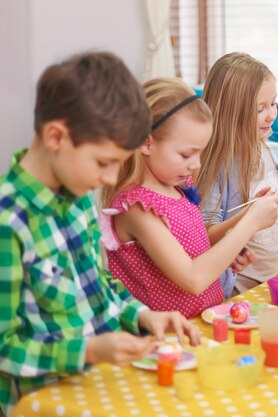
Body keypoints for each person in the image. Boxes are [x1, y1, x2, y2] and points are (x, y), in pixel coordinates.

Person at [0, 52, 201, 416]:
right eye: (104, 163)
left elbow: (101, 286)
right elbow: (4, 347)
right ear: (56, 136)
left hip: (107, 388)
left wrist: (143, 316)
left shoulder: (77, 198)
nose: (111, 179)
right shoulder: (8, 223)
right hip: (50, 403)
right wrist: (89, 351)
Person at [100, 77, 278, 318]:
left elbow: (195, 244)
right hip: (166, 343)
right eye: (186, 154)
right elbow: (193, 278)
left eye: (199, 153)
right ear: (146, 142)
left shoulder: (177, 188)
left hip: (202, 325)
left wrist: (242, 221)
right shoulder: (136, 207)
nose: (195, 164)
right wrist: (251, 224)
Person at [197, 52, 278, 297]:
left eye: (273, 103)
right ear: (230, 113)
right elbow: (205, 236)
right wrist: (249, 217)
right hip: (236, 296)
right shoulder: (216, 167)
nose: (272, 115)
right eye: (260, 109)